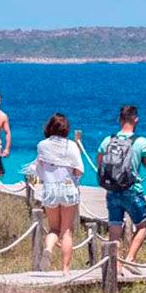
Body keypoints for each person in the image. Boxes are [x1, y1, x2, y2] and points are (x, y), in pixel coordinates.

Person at [97, 104, 146, 276]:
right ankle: (130, 259)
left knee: (115, 228)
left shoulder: (108, 140)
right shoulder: (140, 141)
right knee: (142, 225)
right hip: (132, 190)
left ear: (119, 119)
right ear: (136, 119)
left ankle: (115, 266)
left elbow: (100, 163)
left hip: (112, 190)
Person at [34, 112, 84, 274]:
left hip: (50, 189)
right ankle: (65, 269)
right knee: (67, 230)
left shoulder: (42, 145)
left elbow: (40, 169)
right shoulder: (72, 146)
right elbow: (78, 170)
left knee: (54, 228)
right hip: (68, 188)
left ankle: (48, 248)